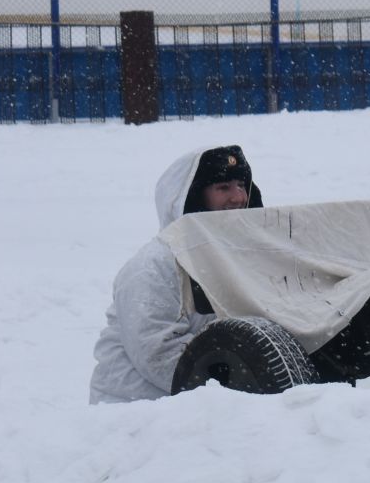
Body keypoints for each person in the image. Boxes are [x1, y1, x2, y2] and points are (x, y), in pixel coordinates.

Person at [90, 145, 261, 404]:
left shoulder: (237, 260)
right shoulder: (153, 266)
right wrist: (236, 388)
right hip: (136, 416)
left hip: (200, 414)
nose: (238, 197)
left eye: (241, 185)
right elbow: (158, 353)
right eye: (223, 188)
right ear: (193, 197)